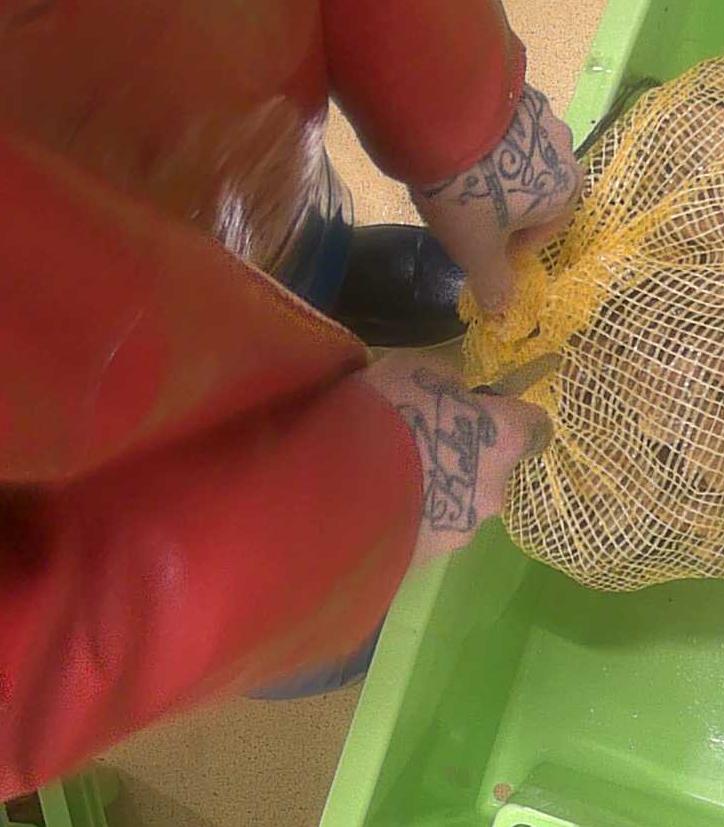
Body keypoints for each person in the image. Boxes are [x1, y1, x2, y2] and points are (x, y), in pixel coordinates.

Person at [0, 0, 581, 799]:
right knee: (329, 622)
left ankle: (320, 294)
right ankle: (343, 597)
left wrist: (464, 118)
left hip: (235, 131)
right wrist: (357, 514)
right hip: (108, 486)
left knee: (292, 252)